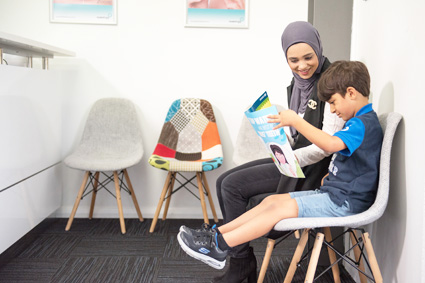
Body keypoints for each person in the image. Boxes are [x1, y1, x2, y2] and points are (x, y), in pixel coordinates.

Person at [178, 60, 383, 276]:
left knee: (277, 210)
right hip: (335, 196)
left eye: (333, 103)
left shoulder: (361, 123)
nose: (332, 109)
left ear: (351, 93)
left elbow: (331, 144)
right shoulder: (359, 122)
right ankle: (215, 236)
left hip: (343, 203)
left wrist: (296, 121)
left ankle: (219, 245)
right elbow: (351, 161)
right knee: (271, 201)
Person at [211, 21, 345, 282]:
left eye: (308, 57)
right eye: (293, 60)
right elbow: (299, 132)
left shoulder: (331, 83)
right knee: (223, 181)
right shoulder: (297, 85)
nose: (302, 66)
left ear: (319, 49)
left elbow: (325, 145)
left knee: (232, 187)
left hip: (312, 169)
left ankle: (241, 266)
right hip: (295, 160)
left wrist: (289, 157)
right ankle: (240, 262)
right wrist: (279, 140)